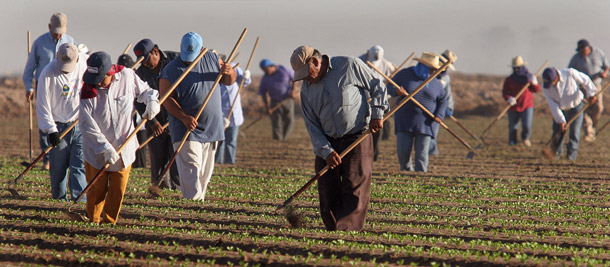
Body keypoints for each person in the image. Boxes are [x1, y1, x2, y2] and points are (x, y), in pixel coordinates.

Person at [291, 45, 388, 231]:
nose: (306, 79)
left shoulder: (348, 65)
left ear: (316, 62)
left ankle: (346, 230)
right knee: (327, 188)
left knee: (355, 184)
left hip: (357, 134)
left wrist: (377, 113)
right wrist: (326, 151)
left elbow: (378, 85)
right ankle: (333, 227)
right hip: (327, 140)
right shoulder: (307, 90)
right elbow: (312, 126)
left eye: (307, 73)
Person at [79, 51, 160, 224]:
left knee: (118, 189)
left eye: (101, 78)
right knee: (97, 190)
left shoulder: (127, 76)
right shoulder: (87, 90)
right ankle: (92, 221)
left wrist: (152, 102)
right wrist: (105, 148)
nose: (98, 83)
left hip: (124, 147)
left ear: (110, 72)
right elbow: (87, 125)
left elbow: (146, 91)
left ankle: (109, 223)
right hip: (97, 150)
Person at [159, 32, 236, 200]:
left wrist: (229, 72)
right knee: (191, 169)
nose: (189, 60)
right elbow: (165, 99)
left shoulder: (213, 59)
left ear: (202, 49)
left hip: (211, 127)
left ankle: (198, 204)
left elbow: (229, 81)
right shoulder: (170, 70)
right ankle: (193, 204)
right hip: (186, 128)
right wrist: (184, 117)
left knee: (204, 173)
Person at [23, 12, 77, 170]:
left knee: (63, 120)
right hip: (43, 84)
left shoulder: (71, 42)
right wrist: (29, 87)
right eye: (56, 30)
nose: (59, 34)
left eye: (61, 30)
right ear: (49, 27)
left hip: (65, 86)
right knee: (46, 119)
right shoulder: (39, 43)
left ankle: (64, 156)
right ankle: (47, 158)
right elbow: (29, 68)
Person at [35, 43, 87, 201]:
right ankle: (59, 202)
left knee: (79, 166)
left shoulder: (85, 64)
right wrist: (51, 130)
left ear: (77, 58)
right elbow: (43, 105)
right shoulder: (47, 73)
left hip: (80, 124)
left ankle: (79, 202)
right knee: (58, 170)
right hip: (59, 126)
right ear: (57, 57)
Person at [387, 52, 447, 172]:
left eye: (435, 70)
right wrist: (397, 92)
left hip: (426, 122)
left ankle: (421, 175)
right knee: (403, 151)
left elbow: (443, 100)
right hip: (405, 120)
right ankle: (406, 171)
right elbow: (389, 86)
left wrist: (439, 115)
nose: (433, 72)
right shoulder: (405, 74)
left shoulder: (436, 83)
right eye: (431, 69)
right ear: (423, 66)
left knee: (422, 152)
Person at [133, 38, 181, 189]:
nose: (145, 64)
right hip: (155, 123)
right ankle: (159, 191)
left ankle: (180, 191)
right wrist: (152, 122)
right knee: (158, 162)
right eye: (142, 61)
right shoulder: (140, 73)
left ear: (155, 52)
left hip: (177, 119)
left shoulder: (175, 60)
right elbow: (138, 101)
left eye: (147, 60)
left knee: (177, 161)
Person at [542, 67, 598, 161]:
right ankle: (555, 155)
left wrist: (591, 94)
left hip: (576, 105)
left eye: (552, 82)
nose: (551, 85)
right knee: (558, 131)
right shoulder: (546, 87)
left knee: (574, 132)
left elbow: (586, 80)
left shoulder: (570, 73)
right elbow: (553, 105)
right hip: (560, 108)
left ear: (556, 78)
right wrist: (561, 120)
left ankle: (571, 157)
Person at [568, 39, 609, 142]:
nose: (581, 52)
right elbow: (570, 72)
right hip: (583, 88)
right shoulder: (576, 58)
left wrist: (604, 73)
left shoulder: (598, 53)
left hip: (596, 85)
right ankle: (588, 132)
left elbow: (606, 66)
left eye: (583, 50)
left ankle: (593, 126)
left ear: (588, 48)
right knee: (584, 109)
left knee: (598, 107)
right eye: (580, 50)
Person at [359, 45, 395, 161]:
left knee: (376, 128)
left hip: (379, 99)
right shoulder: (359, 62)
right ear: (368, 52)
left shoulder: (386, 64)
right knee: (362, 127)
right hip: (363, 99)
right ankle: (362, 154)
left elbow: (393, 78)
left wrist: (391, 78)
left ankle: (374, 154)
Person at [216, 55, 251, 165]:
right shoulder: (214, 74)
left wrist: (247, 77)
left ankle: (229, 163)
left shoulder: (235, 68)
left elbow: (245, 82)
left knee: (231, 141)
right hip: (220, 114)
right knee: (219, 142)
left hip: (235, 113)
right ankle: (218, 163)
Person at [501, 56, 540, 147]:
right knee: (513, 127)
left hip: (527, 105)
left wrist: (535, 83)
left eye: (518, 68)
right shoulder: (509, 79)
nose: (516, 69)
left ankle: (525, 138)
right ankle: (512, 143)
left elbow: (536, 90)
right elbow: (504, 92)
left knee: (527, 125)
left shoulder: (528, 77)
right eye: (514, 68)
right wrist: (508, 98)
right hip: (513, 106)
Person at [117, 54, 147, 168]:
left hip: (139, 120)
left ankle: (141, 167)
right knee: (127, 147)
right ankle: (131, 166)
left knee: (140, 148)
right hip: (126, 121)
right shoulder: (118, 80)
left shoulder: (136, 77)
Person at [258, 59, 296, 140]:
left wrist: (293, 91)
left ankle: (284, 138)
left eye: (266, 69)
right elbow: (263, 93)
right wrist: (267, 107)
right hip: (274, 101)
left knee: (290, 120)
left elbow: (294, 79)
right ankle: (278, 139)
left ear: (271, 66)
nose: (265, 72)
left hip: (287, 99)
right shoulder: (265, 78)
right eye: (264, 70)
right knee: (276, 122)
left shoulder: (284, 69)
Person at [429, 50, 457, 155]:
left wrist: (448, 108)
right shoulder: (430, 73)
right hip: (426, 105)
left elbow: (447, 94)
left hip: (437, 108)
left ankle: (432, 151)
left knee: (433, 130)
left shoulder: (445, 77)